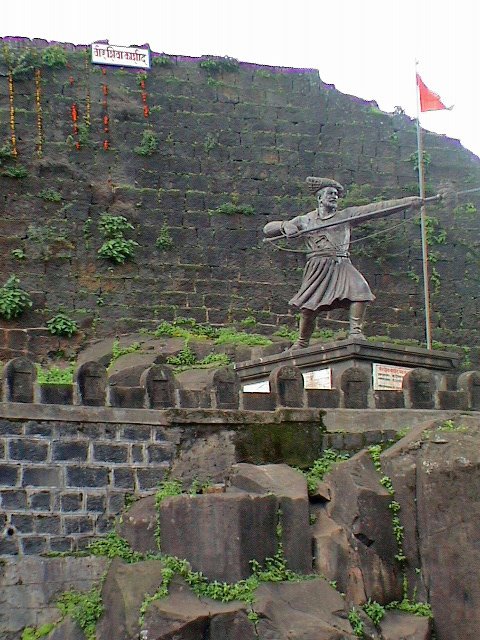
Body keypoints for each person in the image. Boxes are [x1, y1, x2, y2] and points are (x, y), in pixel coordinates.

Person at [263, 177, 424, 349]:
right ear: (319, 198)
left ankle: (355, 331)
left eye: (336, 195)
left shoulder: (346, 215)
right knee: (309, 308)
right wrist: (285, 225)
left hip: (340, 262)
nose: (334, 197)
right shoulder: (305, 220)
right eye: (330, 194)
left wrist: (408, 202)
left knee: (360, 289)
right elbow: (268, 229)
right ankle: (302, 341)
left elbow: (376, 209)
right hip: (317, 265)